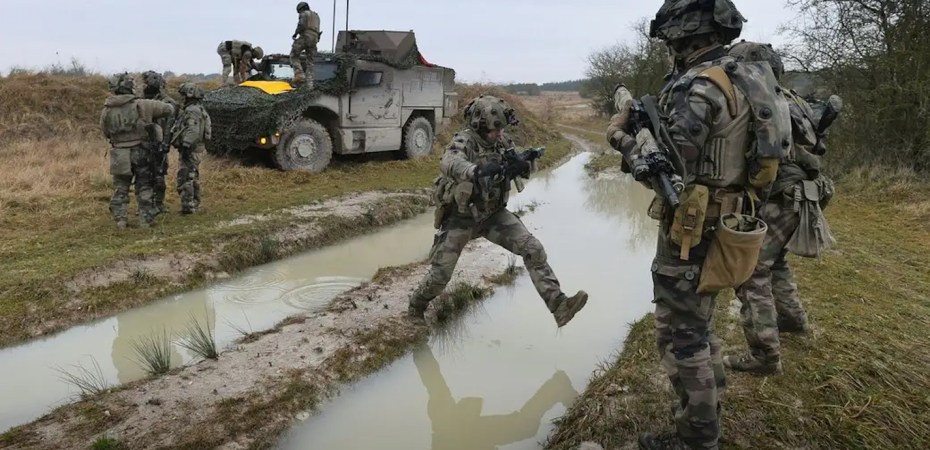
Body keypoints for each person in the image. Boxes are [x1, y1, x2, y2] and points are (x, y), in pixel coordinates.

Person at [606, 1, 792, 448]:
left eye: (670, 41)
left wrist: (619, 136)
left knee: (681, 335)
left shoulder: (700, 86)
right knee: (700, 325)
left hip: (692, 229)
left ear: (683, 36)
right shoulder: (748, 78)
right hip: (732, 219)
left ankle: (697, 437)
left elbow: (667, 168)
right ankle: (707, 416)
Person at [407, 94, 588, 328]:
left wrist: (524, 163)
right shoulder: (464, 141)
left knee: (532, 248)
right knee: (441, 275)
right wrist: (476, 171)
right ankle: (416, 307)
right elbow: (449, 162)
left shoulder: (502, 142)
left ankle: (559, 306)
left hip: (493, 215)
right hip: (461, 218)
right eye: (495, 130)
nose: (499, 134)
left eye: (501, 129)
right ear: (480, 126)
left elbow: (516, 163)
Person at [723, 40, 839, 375]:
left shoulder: (760, 102)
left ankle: (765, 356)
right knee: (775, 263)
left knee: (751, 272)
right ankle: (792, 320)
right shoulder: (791, 99)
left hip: (781, 196)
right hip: (805, 193)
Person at [100, 73, 175, 229]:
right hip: (141, 152)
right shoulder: (144, 104)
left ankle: (120, 220)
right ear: (130, 87)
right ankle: (144, 220)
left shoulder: (107, 110)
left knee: (121, 187)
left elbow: (106, 132)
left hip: (119, 154)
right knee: (144, 186)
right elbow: (169, 109)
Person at [140, 70, 179, 216]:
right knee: (143, 176)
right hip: (142, 144)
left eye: (148, 82)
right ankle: (145, 205)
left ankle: (158, 204)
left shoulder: (168, 103)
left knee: (159, 175)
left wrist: (165, 144)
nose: (146, 85)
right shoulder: (140, 101)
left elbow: (170, 126)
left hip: (159, 143)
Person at [170, 83, 211, 214]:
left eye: (183, 95)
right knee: (193, 176)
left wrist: (186, 145)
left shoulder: (192, 110)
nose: (182, 98)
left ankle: (188, 206)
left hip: (191, 149)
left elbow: (193, 130)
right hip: (196, 148)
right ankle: (195, 203)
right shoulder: (198, 109)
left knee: (185, 177)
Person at [290, 1, 321, 87]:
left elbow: (302, 25)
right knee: (310, 63)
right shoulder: (316, 16)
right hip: (314, 39)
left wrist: (295, 33)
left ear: (302, 9)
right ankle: (309, 84)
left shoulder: (304, 14)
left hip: (305, 37)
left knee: (294, 55)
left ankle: (300, 75)